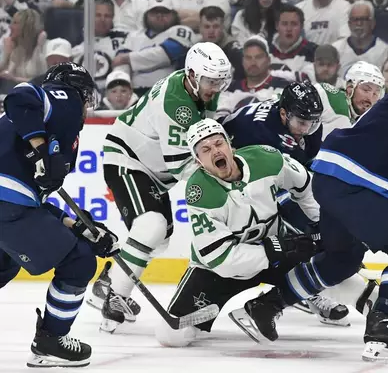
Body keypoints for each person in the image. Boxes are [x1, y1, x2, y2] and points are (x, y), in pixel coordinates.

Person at [229, 64, 388, 362]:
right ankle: (382, 322)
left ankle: (264, 307)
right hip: (348, 179)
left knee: (342, 260)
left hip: (339, 183)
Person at [88, 42, 233, 333]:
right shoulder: (175, 103)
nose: (215, 87)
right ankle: (116, 298)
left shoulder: (201, 87)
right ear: (192, 75)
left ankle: (111, 280)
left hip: (152, 172)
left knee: (161, 238)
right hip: (128, 160)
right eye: (210, 81)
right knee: (151, 226)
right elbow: (183, 167)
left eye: (220, 81)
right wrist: (229, 180)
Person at [155, 118, 320, 346]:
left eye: (218, 143)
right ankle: (295, 289)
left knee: (331, 262)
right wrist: (273, 251)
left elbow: (305, 186)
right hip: (222, 271)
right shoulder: (200, 192)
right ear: (198, 161)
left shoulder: (266, 158)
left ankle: (370, 308)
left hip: (276, 247)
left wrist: (319, 222)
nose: (215, 151)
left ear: (230, 145)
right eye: (205, 149)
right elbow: (221, 258)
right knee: (170, 335)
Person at [0, 62, 117, 367]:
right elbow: (20, 94)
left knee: (4, 264)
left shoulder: (29, 127)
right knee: (78, 261)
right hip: (7, 204)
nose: (86, 105)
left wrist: (77, 225)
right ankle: (51, 341)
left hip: (11, 204)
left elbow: (33, 205)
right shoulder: (63, 97)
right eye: (86, 96)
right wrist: (41, 148)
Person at [222, 81, 350, 325]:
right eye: (302, 123)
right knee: (298, 230)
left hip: (273, 173)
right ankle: (307, 292)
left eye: (312, 122)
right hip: (238, 181)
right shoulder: (262, 132)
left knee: (315, 223)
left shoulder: (306, 123)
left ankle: (303, 288)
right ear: (283, 113)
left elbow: (308, 168)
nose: (307, 128)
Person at [317, 60, 385, 138]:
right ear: (350, 88)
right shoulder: (330, 97)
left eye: (375, 93)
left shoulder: (368, 122)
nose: (370, 97)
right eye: (366, 90)